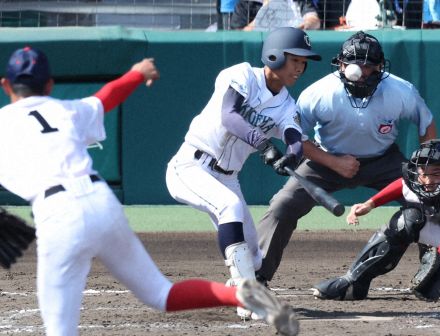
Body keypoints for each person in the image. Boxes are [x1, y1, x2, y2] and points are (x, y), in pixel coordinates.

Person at [0, 46, 300, 336]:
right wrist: (136, 73)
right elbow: (105, 97)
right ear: (50, 85)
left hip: (57, 215)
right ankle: (241, 295)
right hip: (102, 202)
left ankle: (245, 290)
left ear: (5, 85)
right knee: (162, 293)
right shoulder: (65, 109)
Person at [255, 31, 437, 287]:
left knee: (429, 201)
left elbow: (426, 123)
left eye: (369, 66)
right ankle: (257, 275)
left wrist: (426, 170)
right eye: (355, 64)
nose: (362, 72)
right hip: (326, 159)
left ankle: (434, 273)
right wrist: (332, 162)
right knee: (283, 205)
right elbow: (296, 136)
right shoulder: (319, 93)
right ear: (341, 65)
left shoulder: (399, 90)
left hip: (384, 160)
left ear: (380, 67)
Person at [165, 27, 321, 319]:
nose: (300, 67)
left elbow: (294, 136)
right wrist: (264, 145)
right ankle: (247, 295)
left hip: (227, 176)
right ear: (274, 55)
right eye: (294, 59)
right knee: (230, 207)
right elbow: (230, 115)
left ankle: (237, 287)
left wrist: (290, 155)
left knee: (255, 258)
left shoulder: (287, 104)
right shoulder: (242, 74)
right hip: (190, 165)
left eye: (304, 62)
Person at [313, 139, 440, 302]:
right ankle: (354, 284)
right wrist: (369, 204)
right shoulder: (417, 184)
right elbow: (401, 185)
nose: (428, 181)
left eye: (436, 173)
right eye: (424, 172)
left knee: (431, 289)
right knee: (405, 222)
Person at [230, 0, 320, 31]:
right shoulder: (244, 4)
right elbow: (240, 35)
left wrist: (304, 25)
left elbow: (315, 21)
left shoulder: (300, 1)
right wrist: (266, 9)